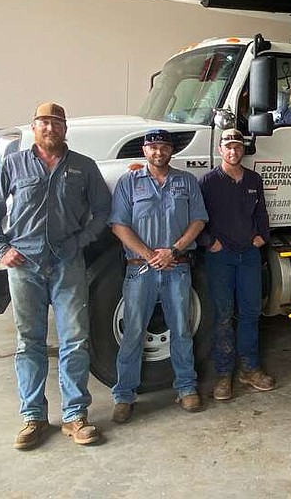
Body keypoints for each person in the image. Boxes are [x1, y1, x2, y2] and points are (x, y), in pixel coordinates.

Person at [0, 102, 111, 450]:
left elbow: (102, 211)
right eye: (43, 123)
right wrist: (0, 248)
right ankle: (33, 417)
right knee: (29, 343)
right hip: (25, 265)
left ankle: (75, 416)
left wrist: (82, 240)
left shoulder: (84, 167)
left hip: (68, 264)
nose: (50, 128)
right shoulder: (13, 164)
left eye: (56, 123)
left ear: (65, 129)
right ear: (33, 127)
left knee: (75, 340)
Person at [108, 129, 209, 423]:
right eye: (152, 147)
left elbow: (198, 219)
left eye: (163, 147)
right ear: (144, 150)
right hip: (140, 269)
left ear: (171, 151)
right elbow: (118, 225)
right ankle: (124, 395)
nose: (158, 152)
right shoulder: (129, 182)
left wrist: (173, 251)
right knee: (133, 332)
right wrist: (150, 254)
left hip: (177, 267)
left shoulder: (186, 181)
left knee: (181, 328)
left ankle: (186, 387)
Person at [198, 129, 274, 401]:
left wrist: (261, 237)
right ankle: (223, 374)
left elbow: (261, 212)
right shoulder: (208, 182)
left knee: (251, 313)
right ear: (220, 149)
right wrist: (209, 242)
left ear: (243, 150)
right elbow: (198, 217)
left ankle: (250, 369)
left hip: (249, 257)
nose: (233, 151)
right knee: (222, 314)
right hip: (221, 256)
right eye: (228, 147)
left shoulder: (254, 180)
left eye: (238, 147)